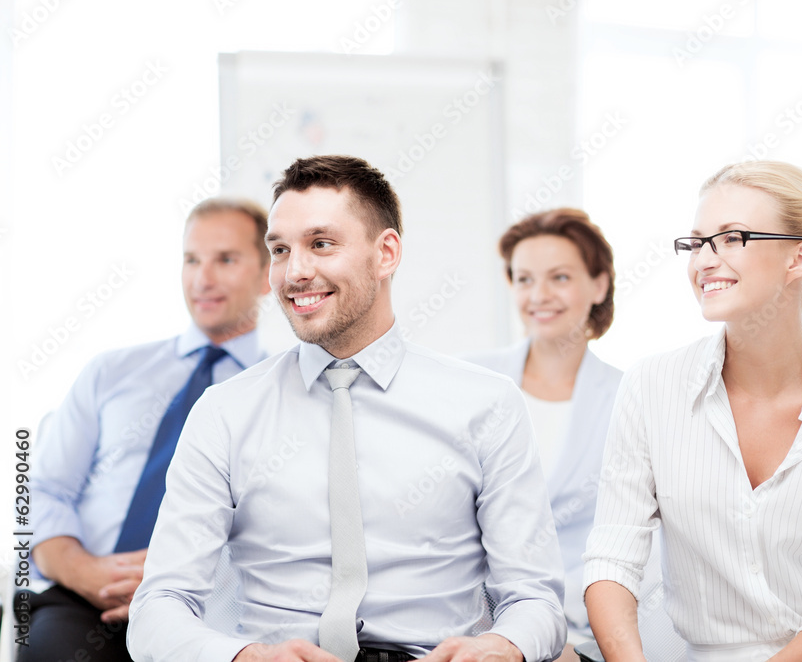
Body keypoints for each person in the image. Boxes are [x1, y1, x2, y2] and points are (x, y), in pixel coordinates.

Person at [126, 155, 566, 662]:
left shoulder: (486, 403)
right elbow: (159, 606)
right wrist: (247, 658)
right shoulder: (224, 412)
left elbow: (535, 599)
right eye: (280, 250)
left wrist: (500, 647)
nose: (295, 272)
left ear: (386, 254)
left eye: (321, 244)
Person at [583, 160, 802, 661]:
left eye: (731, 237)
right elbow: (612, 556)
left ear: (799, 258)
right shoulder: (651, 389)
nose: (703, 260)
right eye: (697, 242)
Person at [23, 197, 272, 662]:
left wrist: (177, 581)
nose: (204, 278)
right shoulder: (111, 372)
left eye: (226, 259)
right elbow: (43, 491)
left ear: (267, 275)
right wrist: (84, 572)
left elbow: (283, 529)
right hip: (83, 602)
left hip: (209, 611)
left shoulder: (283, 392)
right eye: (192, 259)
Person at [464, 208, 622, 657]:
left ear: (599, 284)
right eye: (524, 279)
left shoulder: (629, 397)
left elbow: (635, 543)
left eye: (560, 277)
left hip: (583, 628)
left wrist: (551, 630)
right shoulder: (470, 381)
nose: (539, 295)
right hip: (472, 621)